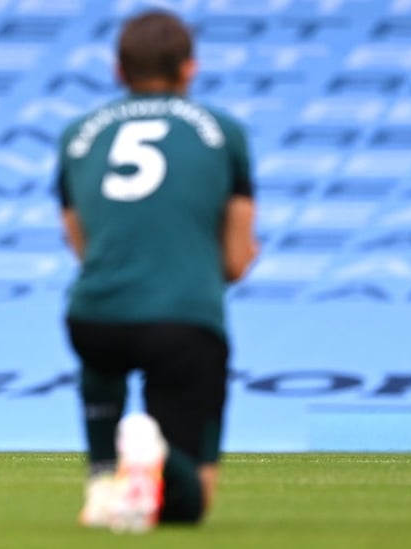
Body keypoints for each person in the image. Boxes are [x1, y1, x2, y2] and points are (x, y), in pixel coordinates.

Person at [55, 10, 259, 531]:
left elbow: (81, 245)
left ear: (118, 70)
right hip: (184, 321)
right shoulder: (224, 132)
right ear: (190, 69)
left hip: (93, 317)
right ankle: (155, 457)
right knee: (189, 508)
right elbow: (234, 262)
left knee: (103, 349)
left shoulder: (78, 135)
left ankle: (104, 479)